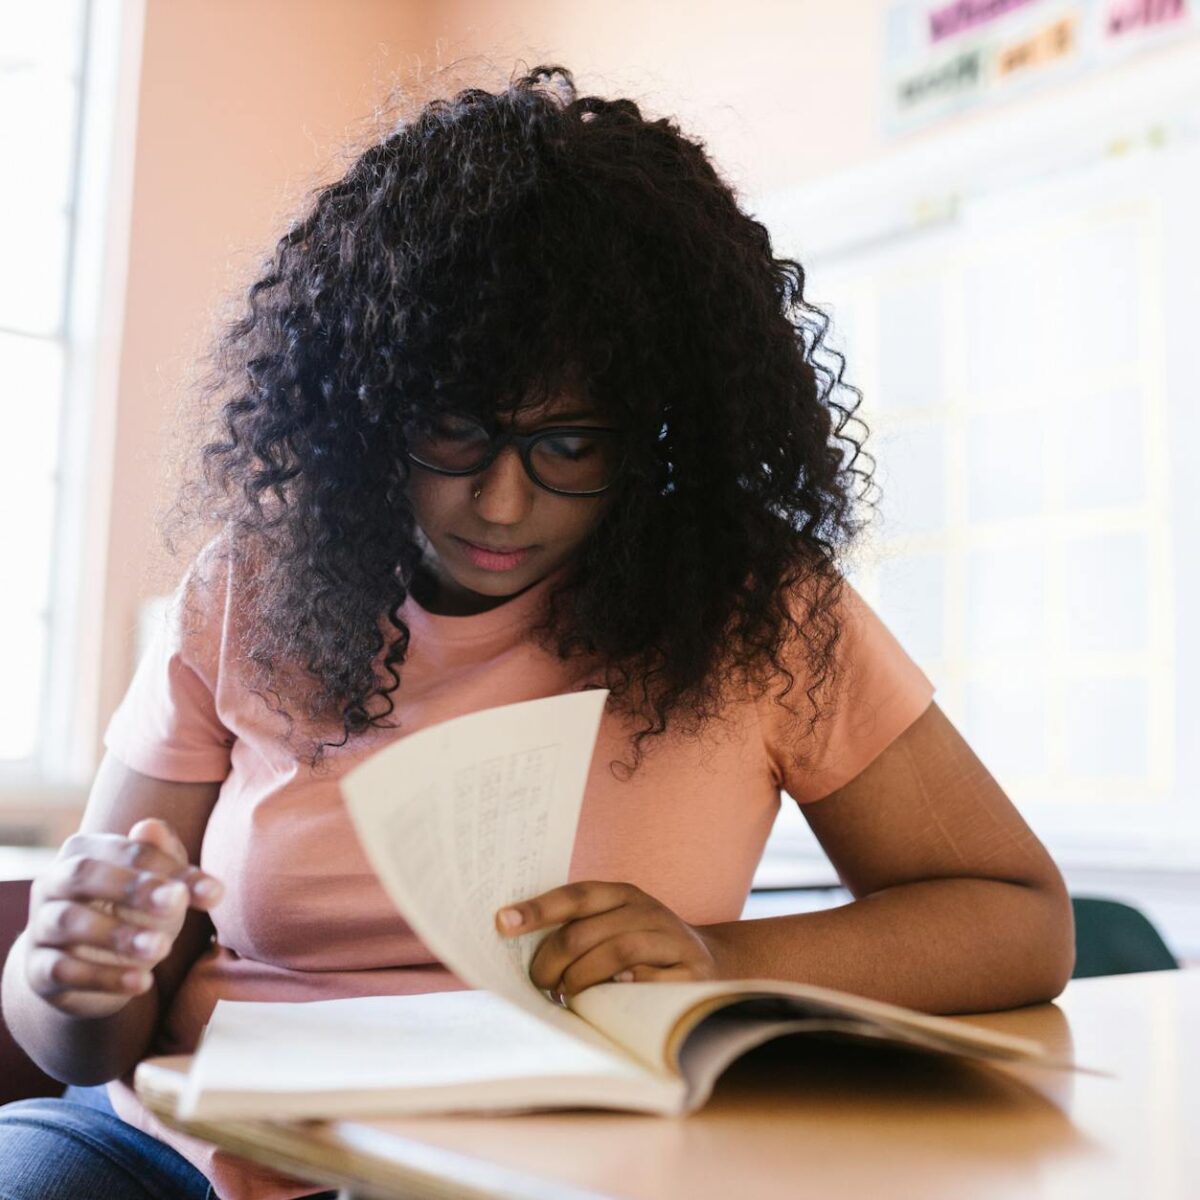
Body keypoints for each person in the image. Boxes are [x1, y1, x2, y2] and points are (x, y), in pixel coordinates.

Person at [0, 64, 1074, 1200]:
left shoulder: (758, 608)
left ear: (661, 428)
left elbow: (1019, 923)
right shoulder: (251, 588)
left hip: (543, 1167)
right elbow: (85, 1043)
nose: (502, 505)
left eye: (571, 444)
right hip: (175, 1146)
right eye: (456, 430)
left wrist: (723, 962)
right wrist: (73, 974)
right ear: (370, 406)